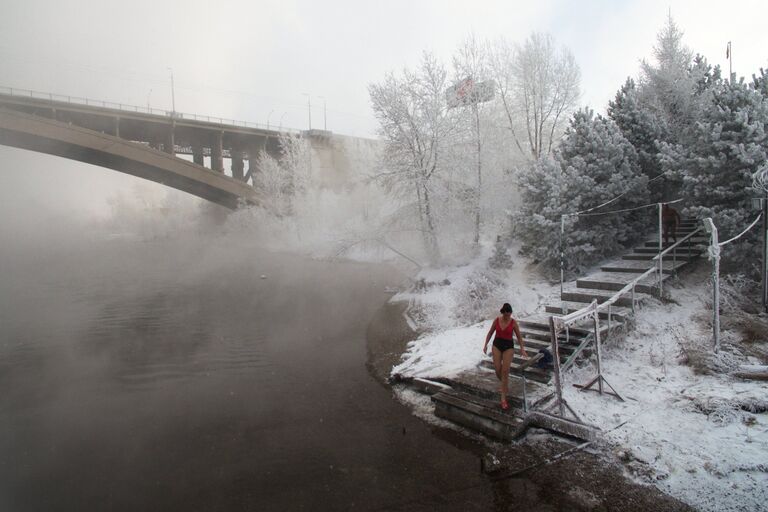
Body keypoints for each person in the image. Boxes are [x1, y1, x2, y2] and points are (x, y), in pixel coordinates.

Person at [482, 303, 528, 410]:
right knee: (498, 370)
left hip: (508, 347)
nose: (508, 317)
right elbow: (490, 333)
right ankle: (504, 385)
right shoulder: (497, 320)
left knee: (505, 371)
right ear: (503, 313)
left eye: (509, 315)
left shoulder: (513, 322)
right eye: (506, 315)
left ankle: (503, 398)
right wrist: (485, 345)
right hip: (497, 345)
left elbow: (519, 337)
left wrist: (522, 349)